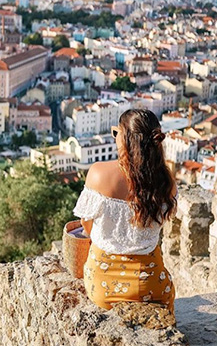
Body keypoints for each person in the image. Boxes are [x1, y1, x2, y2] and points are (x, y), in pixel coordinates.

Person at [72, 108, 178, 316]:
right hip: (152, 285)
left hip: (104, 285)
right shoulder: (167, 182)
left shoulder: (98, 174)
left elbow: (86, 226)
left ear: (125, 139)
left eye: (116, 133)